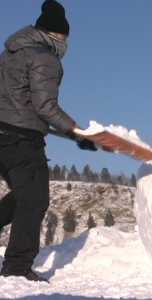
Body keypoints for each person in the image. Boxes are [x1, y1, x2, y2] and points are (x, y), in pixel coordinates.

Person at [0, 0, 97, 282]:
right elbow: (45, 107)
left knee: (22, 195)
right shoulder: (45, 58)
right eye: (66, 36)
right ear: (56, 34)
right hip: (22, 140)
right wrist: (75, 132)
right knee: (34, 200)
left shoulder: (9, 53)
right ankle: (17, 267)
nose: (67, 43)